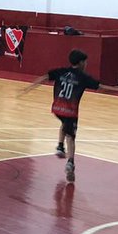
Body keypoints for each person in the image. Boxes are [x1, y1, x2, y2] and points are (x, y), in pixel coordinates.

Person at [22, 49, 102, 183]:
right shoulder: (82, 77)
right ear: (81, 62)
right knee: (71, 136)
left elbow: (45, 77)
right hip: (70, 110)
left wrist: (29, 87)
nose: (87, 64)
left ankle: (60, 146)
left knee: (65, 124)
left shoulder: (61, 71)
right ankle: (70, 162)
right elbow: (101, 86)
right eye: (86, 61)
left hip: (57, 109)